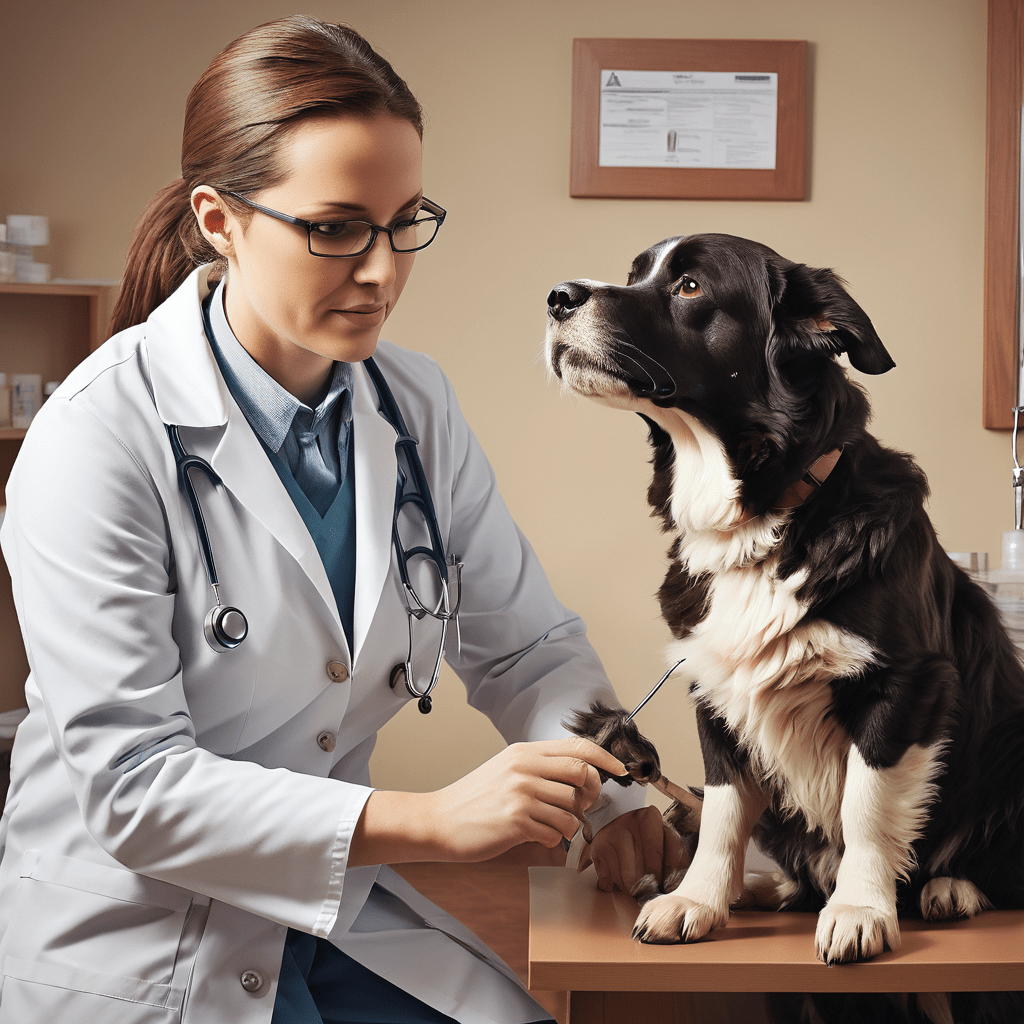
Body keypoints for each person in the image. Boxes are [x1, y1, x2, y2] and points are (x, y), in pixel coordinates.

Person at [0, 17, 683, 1024]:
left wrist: (617, 794)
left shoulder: (413, 405)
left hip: (325, 919)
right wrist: (435, 819)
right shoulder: (96, 435)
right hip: (142, 945)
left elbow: (527, 646)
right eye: (334, 228)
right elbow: (135, 789)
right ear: (218, 221)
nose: (380, 269)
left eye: (403, 220)